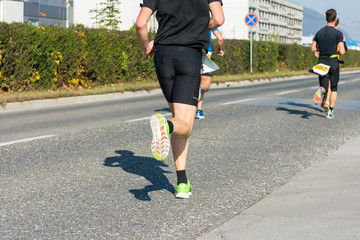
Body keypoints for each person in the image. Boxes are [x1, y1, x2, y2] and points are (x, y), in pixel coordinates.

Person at [136, 0, 224, 199]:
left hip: (163, 56)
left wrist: (145, 47)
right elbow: (218, 19)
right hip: (189, 56)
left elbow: (141, 24)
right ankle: (165, 126)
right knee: (185, 125)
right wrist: (199, 27)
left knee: (179, 121)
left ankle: (182, 182)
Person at [311, 9, 346, 119]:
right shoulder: (338, 33)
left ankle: (320, 90)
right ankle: (330, 111)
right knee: (334, 87)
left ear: (326, 19)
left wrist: (318, 50)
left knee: (324, 86)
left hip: (321, 62)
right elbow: (342, 51)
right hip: (333, 62)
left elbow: (312, 48)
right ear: (335, 19)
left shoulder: (319, 32)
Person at [195, 29, 224, 119]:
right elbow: (220, 38)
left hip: (189, 51)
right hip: (206, 53)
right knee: (204, 84)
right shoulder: (208, 19)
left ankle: (190, 107)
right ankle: (198, 110)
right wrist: (220, 49)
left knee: (190, 78)